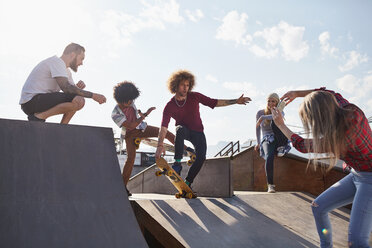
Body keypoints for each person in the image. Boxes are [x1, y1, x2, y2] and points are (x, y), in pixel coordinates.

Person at [272, 87, 372, 248]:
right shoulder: (346, 108)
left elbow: (303, 146)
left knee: (357, 242)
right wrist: (298, 94)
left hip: (370, 180)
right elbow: (329, 93)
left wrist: (281, 125)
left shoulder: (340, 136)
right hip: (357, 174)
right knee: (318, 207)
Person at [155, 70, 251, 190]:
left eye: (187, 85)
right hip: (184, 131)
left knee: (201, 157)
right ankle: (177, 164)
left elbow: (214, 102)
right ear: (175, 85)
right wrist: (160, 145)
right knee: (179, 130)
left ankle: (188, 182)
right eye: (182, 85)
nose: (185, 88)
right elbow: (163, 127)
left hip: (198, 132)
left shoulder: (194, 96)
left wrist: (235, 101)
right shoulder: (170, 106)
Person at [111, 81, 192, 196]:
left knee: (163, 131)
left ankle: (186, 148)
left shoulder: (130, 101)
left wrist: (141, 114)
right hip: (130, 134)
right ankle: (122, 187)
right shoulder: (115, 114)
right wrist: (145, 115)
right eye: (129, 101)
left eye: (132, 100)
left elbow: (135, 117)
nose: (132, 102)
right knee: (131, 159)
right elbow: (130, 125)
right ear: (121, 100)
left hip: (142, 129)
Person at [19, 43, 106, 123]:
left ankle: (63, 128)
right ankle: (38, 117)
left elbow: (72, 91)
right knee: (78, 99)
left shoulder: (66, 71)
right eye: (81, 59)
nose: (81, 63)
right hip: (31, 102)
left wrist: (77, 88)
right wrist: (93, 95)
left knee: (77, 98)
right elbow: (67, 89)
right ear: (72, 55)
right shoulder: (56, 62)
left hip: (40, 101)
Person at [255, 93, 291, 193]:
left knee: (275, 120)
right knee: (269, 156)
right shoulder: (260, 112)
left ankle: (281, 147)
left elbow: (275, 117)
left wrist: (262, 118)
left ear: (277, 102)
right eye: (269, 101)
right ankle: (270, 185)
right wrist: (258, 143)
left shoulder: (280, 112)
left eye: (273, 101)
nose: (270, 103)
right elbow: (257, 128)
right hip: (267, 138)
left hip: (279, 137)